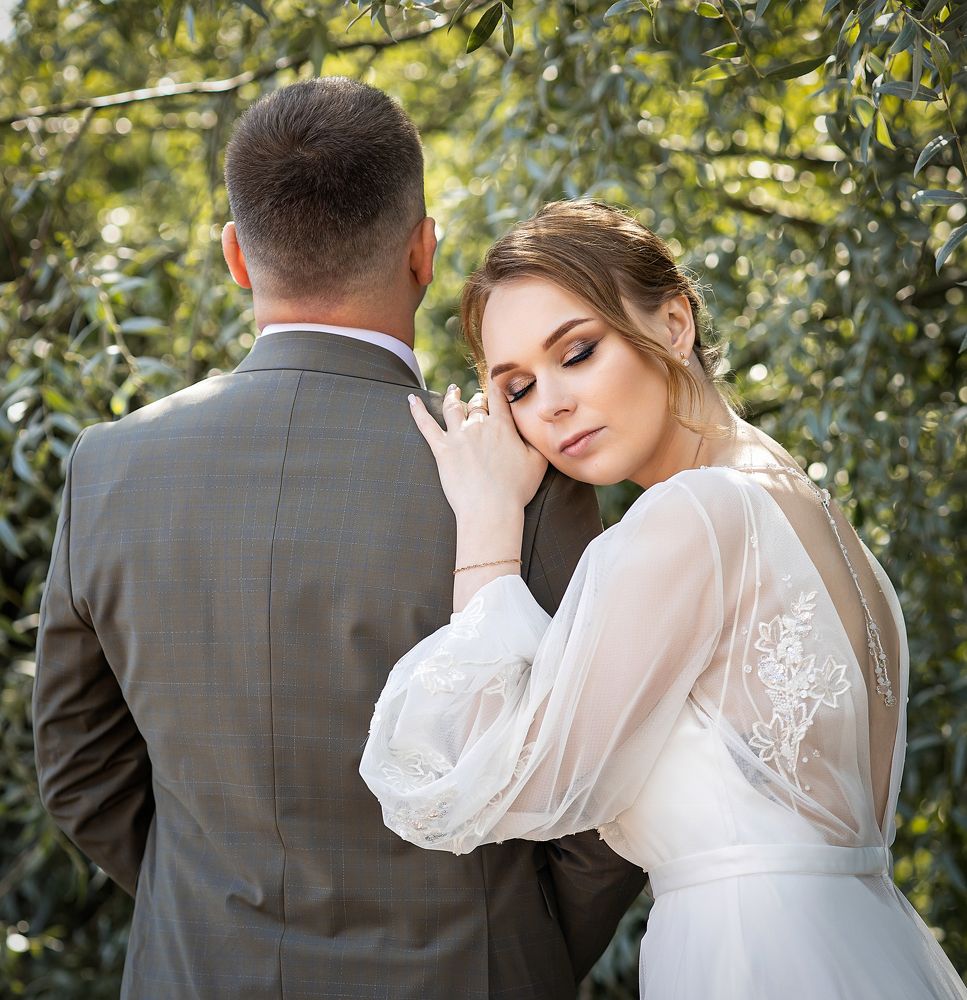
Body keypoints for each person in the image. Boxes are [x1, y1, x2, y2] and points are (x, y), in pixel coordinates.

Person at [32, 82, 644, 999]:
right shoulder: (519, 469)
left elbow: (80, 769)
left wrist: (205, 905)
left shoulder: (110, 469)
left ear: (236, 256)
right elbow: (601, 777)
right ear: (423, 250)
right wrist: (523, 945)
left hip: (199, 971)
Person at [361, 199, 967, 999]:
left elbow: (486, 781)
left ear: (674, 323)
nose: (551, 405)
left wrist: (487, 522)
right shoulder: (809, 509)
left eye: (577, 352)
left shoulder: (695, 515)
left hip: (752, 959)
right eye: (517, 389)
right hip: (859, 943)